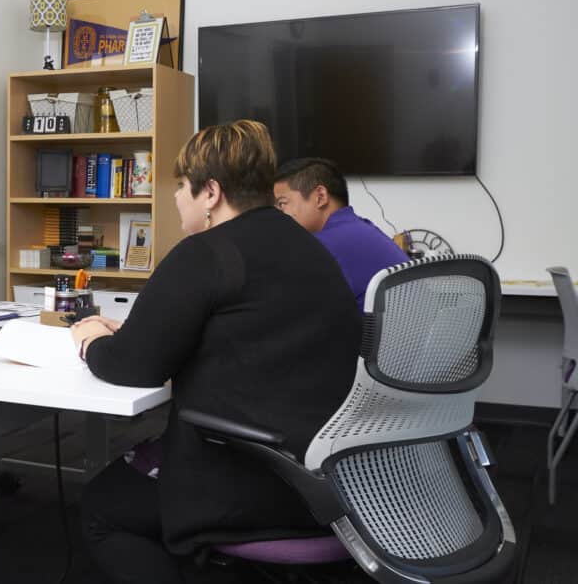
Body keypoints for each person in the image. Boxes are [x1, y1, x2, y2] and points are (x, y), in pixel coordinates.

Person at [70, 121, 362, 584]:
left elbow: (133, 365)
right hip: (332, 477)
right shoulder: (308, 247)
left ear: (211, 192)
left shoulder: (204, 253)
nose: (175, 198)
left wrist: (91, 341)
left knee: (101, 507)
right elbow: (251, 333)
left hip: (247, 480)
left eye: (181, 186)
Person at [273, 157, 409, 311]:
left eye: (282, 204)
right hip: (410, 332)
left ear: (320, 197)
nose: (278, 214)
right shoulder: (361, 228)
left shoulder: (321, 246)